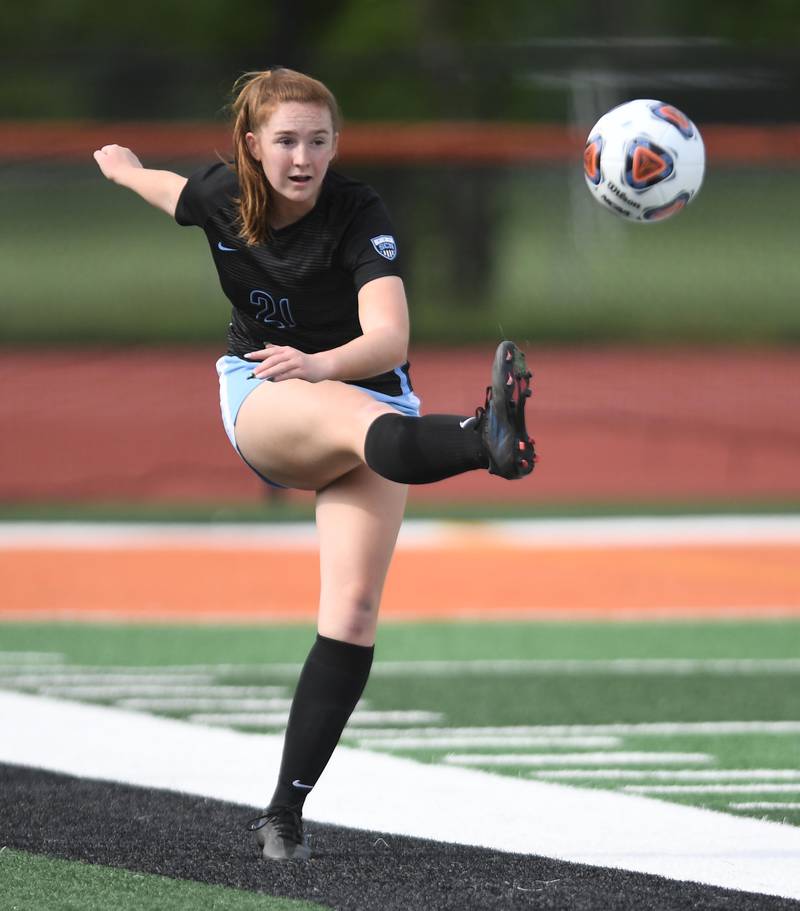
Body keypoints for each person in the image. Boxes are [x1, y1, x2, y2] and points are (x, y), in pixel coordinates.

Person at [93, 67, 535, 862]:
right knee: (372, 425)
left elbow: (389, 340)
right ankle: (481, 438)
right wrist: (125, 171)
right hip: (265, 395)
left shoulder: (358, 210)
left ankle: (283, 813)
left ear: (337, 144)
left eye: (319, 140)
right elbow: (173, 195)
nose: (304, 157)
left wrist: (323, 363)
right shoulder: (228, 194)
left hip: (356, 394)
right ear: (254, 145)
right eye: (287, 140)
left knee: (354, 611)